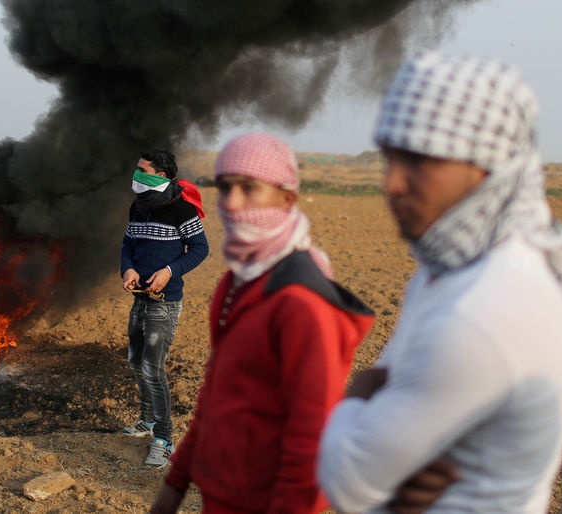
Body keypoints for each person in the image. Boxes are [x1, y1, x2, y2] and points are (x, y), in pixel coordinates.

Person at [317, 51, 562, 513]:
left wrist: (359, 394)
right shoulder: (451, 270)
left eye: (418, 161)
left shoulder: (486, 307)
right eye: (390, 158)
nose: (391, 183)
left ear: (488, 165)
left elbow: (345, 479)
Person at [150, 132, 376, 513]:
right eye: (224, 188)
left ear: (287, 197)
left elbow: (312, 437)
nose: (233, 204)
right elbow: (218, 390)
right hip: (224, 493)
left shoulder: (301, 303)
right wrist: (175, 484)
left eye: (249, 188)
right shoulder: (236, 283)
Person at [120, 148, 209, 468]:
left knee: (152, 370)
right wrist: (127, 269)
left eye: (143, 170)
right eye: (136, 169)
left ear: (160, 175)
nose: (136, 175)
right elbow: (128, 245)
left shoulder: (181, 209)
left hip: (164, 303)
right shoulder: (139, 205)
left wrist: (170, 270)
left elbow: (200, 249)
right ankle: (147, 422)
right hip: (140, 299)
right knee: (134, 362)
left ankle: (164, 439)